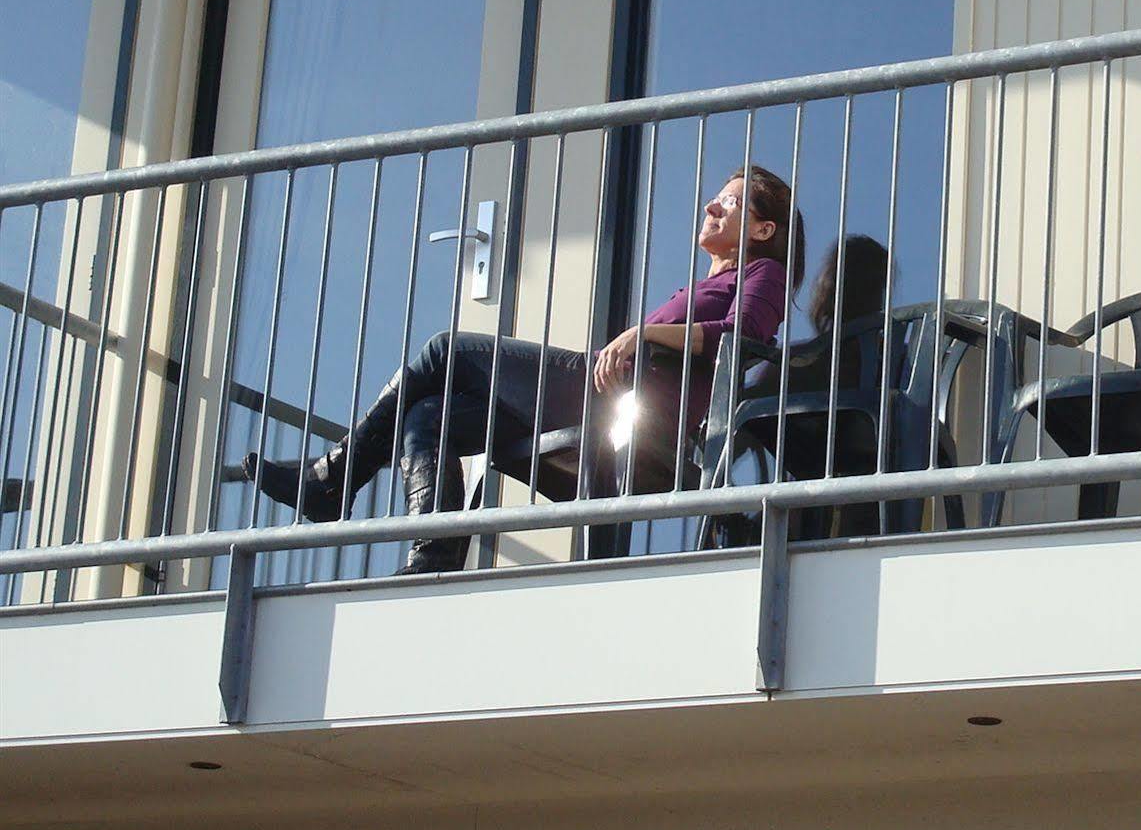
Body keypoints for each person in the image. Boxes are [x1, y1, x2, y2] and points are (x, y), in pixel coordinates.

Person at [241, 164, 801, 574]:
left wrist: (643, 332)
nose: (711, 206)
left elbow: (744, 337)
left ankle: (331, 481)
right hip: (609, 401)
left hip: (628, 411)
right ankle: (432, 552)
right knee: (430, 415)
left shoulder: (763, 276)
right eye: (716, 198)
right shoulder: (705, 282)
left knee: (444, 351)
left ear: (762, 231)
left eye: (729, 203)